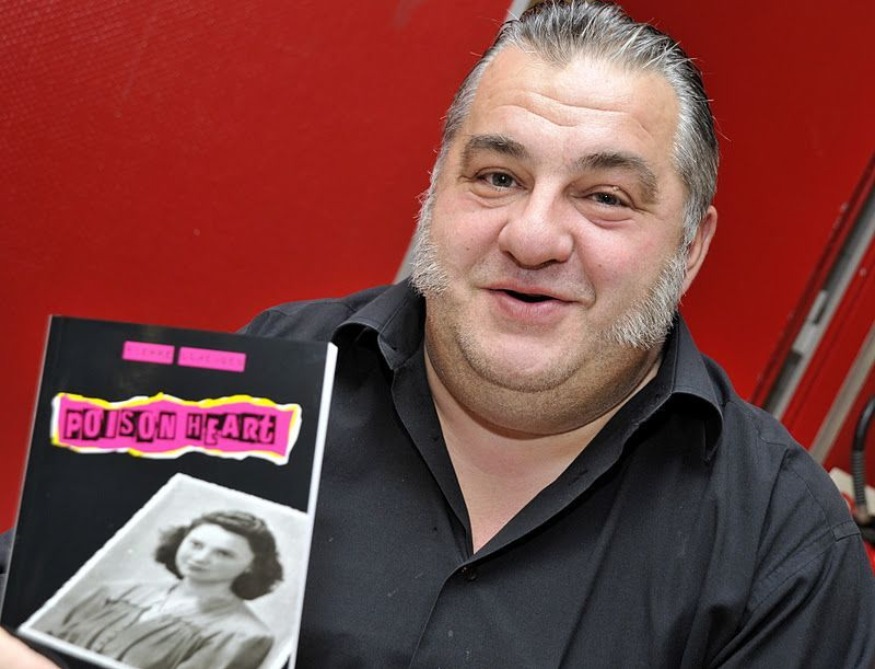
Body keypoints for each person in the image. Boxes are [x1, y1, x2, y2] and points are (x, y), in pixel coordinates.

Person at [2, 1, 874, 666]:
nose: (532, 236)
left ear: (688, 249)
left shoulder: (782, 551)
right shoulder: (278, 365)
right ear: (434, 191)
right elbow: (40, 614)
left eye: (604, 196)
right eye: (496, 176)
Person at [27, 511, 280, 669]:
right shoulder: (113, 593)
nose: (200, 558)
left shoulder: (244, 635)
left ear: (252, 565)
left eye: (223, 553)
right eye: (195, 544)